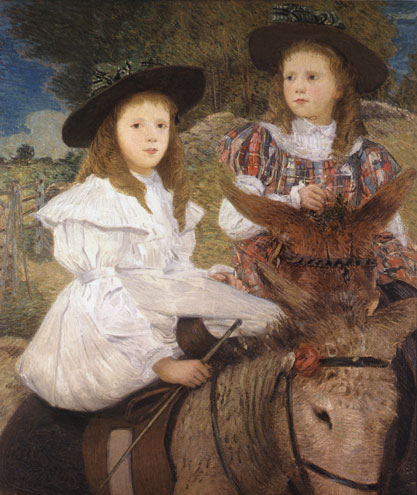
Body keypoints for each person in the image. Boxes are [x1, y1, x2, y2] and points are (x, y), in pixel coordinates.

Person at [16, 64, 280, 412]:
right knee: (253, 322)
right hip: (106, 327)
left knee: (270, 318)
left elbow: (171, 268)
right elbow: (103, 292)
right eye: (137, 126)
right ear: (111, 133)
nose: (152, 136)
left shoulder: (162, 193)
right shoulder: (97, 200)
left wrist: (204, 277)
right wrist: (161, 362)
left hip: (156, 300)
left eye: (161, 125)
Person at [218, 4, 417, 299]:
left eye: (312, 77)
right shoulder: (265, 144)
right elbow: (231, 222)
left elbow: (391, 228)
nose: (298, 87)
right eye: (290, 77)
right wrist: (293, 200)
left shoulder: (365, 157)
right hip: (286, 270)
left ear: (339, 88)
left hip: (350, 273)